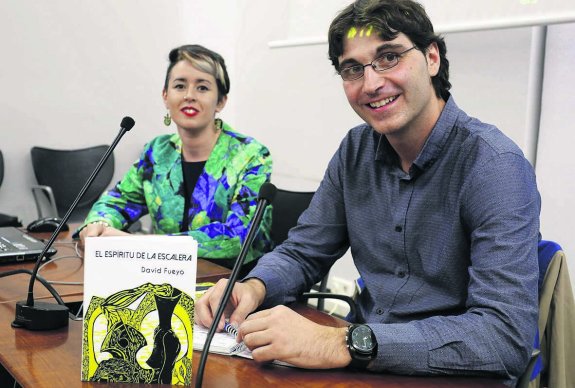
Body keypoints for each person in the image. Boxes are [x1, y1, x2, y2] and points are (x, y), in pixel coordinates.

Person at [196, 0, 541, 385]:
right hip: (365, 366)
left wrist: (344, 342)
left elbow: (503, 336)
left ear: (432, 58)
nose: (372, 83)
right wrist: (254, 286)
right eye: (352, 69)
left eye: (389, 57)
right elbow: (304, 250)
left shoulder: (495, 165)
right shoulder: (355, 151)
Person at [78, 44, 273, 269]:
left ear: (220, 101)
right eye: (180, 86)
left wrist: (137, 244)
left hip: (233, 286)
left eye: (202, 87)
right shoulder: (158, 152)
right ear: (165, 96)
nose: (189, 96)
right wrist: (99, 224)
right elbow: (119, 201)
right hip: (164, 280)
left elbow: (237, 237)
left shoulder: (251, 156)